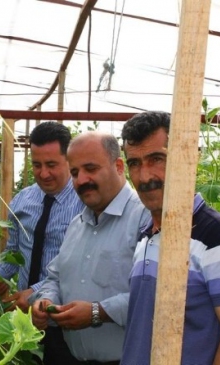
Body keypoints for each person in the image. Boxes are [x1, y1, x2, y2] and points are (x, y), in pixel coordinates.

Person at [120, 111, 220, 365]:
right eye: (134, 163)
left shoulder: (217, 236)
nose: (144, 176)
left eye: (157, 159)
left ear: (189, 158)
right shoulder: (146, 236)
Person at [31, 131, 150, 364]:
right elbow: (55, 277)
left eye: (91, 169)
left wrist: (97, 312)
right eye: (75, 172)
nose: (81, 179)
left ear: (118, 166)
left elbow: (155, 295)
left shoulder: (144, 218)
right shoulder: (78, 224)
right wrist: (46, 301)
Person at [0, 121, 84, 363]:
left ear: (69, 160)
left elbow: (81, 264)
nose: (43, 173)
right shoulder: (23, 200)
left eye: (51, 165)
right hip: (22, 317)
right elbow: (14, 253)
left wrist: (35, 293)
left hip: (63, 319)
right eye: (37, 165)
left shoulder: (85, 204)